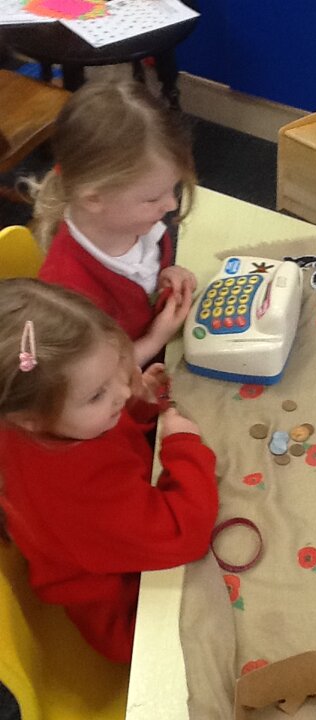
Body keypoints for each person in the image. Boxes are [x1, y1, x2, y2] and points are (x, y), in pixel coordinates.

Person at [0, 278, 218, 664]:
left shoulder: (40, 416)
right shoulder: (76, 490)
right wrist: (183, 446)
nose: (122, 389)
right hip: (134, 613)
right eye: (98, 394)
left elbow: (100, 429)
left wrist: (133, 405)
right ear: (31, 419)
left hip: (126, 533)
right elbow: (185, 534)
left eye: (117, 368)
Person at [31, 80, 198, 366]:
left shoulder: (136, 225)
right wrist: (154, 340)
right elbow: (88, 378)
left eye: (173, 190)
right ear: (94, 199)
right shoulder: (70, 292)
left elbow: (139, 282)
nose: (171, 205)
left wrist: (166, 275)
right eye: (152, 198)